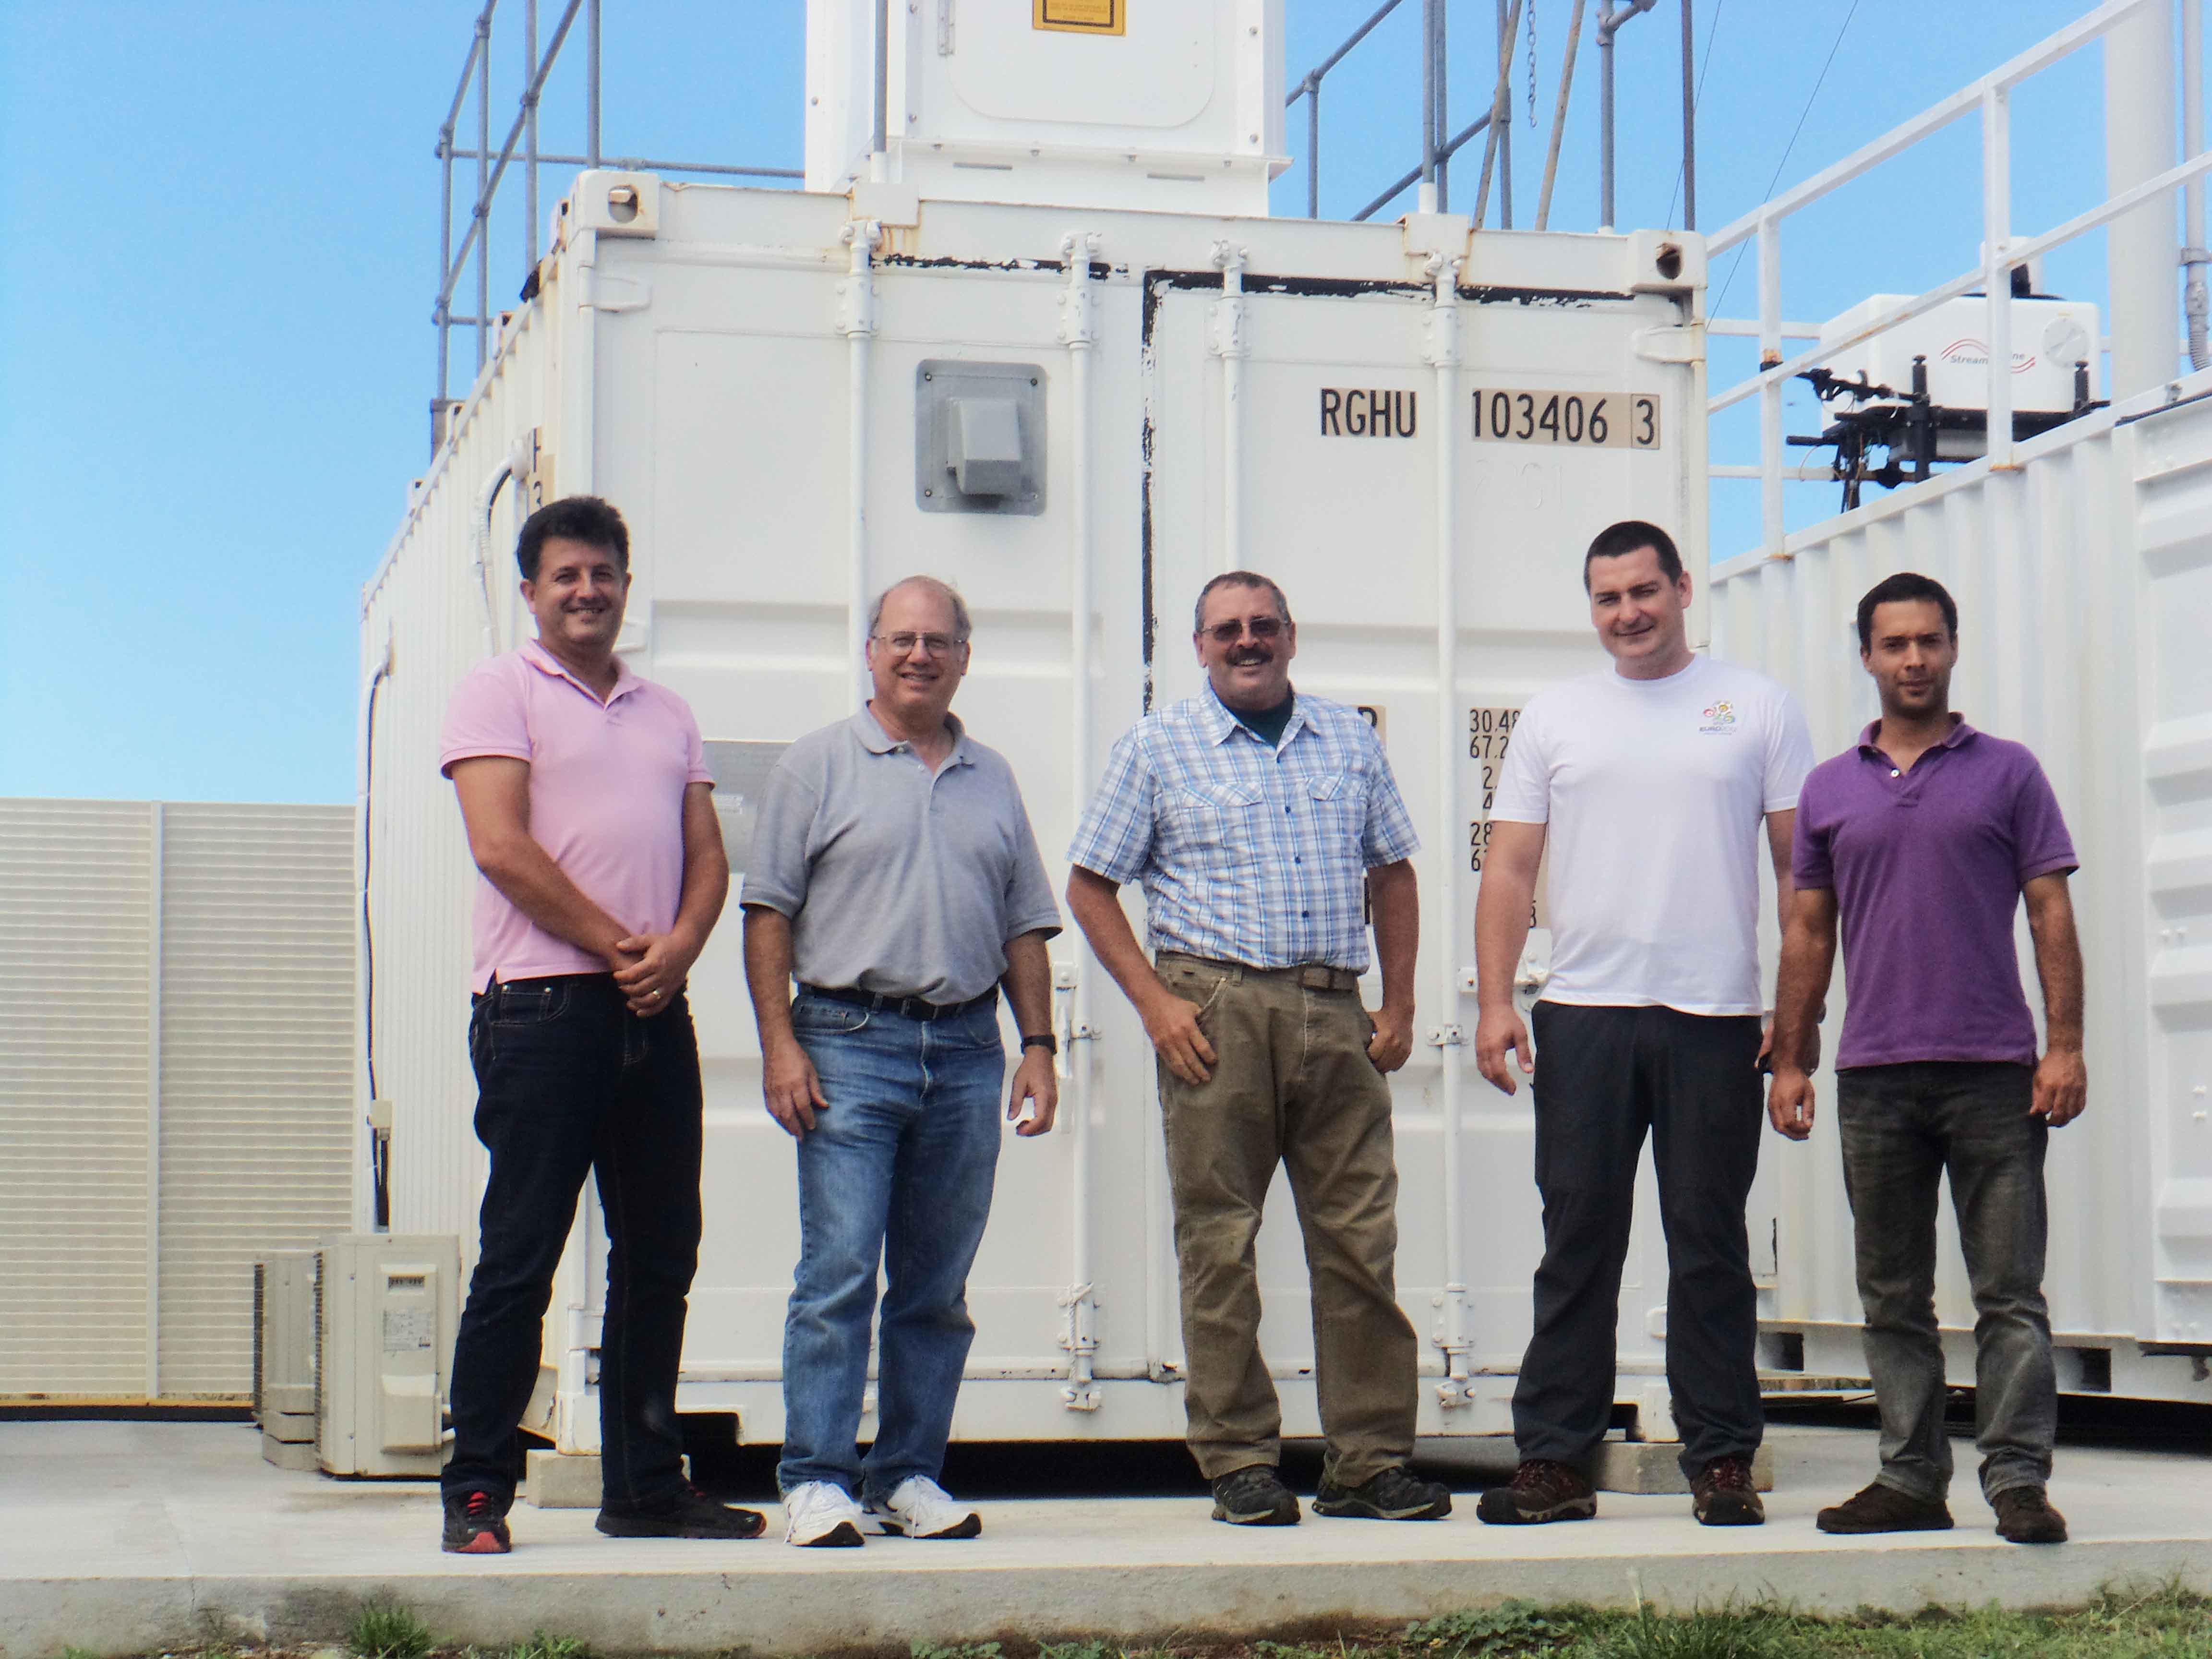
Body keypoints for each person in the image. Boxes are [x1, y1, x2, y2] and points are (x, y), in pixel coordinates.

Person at [1065, 571, 1450, 1528]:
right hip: (1216, 1013)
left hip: (1336, 1010)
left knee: (1361, 1242)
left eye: (1263, 626)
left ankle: (1369, 1463)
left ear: (1291, 635)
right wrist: (1155, 1005)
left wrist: (1398, 1004)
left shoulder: (1348, 739)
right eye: (1227, 629)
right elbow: (1089, 886)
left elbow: (1394, 870)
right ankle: (1239, 1459)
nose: (1247, 641)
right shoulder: (1158, 748)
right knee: (1220, 1242)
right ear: (1199, 646)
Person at [1473, 520, 1813, 1529]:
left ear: (1681, 589)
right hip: (1584, 1014)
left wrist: (1795, 1023)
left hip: (1715, 1020)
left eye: (1642, 592)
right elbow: (1509, 869)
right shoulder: (1556, 715)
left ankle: (1720, 1460)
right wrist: (1498, 999)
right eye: (1607, 598)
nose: (1627, 613)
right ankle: (1556, 1461)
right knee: (1578, 1236)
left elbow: (1804, 880)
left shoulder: (1758, 708)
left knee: (1708, 1240)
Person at [436, 495, 760, 1553]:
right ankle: (480, 1490)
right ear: (531, 594)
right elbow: (501, 846)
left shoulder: (667, 713)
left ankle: (645, 1488)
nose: (587, 591)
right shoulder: (497, 691)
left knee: (661, 1252)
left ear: (627, 585)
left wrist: (677, 950)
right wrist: (624, 945)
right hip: (541, 1009)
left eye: (603, 574)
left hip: (652, 1014)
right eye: (565, 576)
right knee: (521, 1254)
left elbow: (706, 855)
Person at [741, 576, 1063, 1549]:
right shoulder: (817, 766)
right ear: (870, 652)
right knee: (838, 1272)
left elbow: (1023, 926)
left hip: (967, 1051)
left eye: (938, 641)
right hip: (847, 1043)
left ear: (966, 657)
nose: (918, 656)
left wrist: (1037, 1046)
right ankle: (816, 1480)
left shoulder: (992, 777)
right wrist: (778, 1045)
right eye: (900, 640)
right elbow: (768, 915)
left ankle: (910, 1474)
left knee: (935, 1287)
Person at [1768, 572, 2083, 1547]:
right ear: (1865, 656)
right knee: (1894, 1296)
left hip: (1994, 1070)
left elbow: (2050, 912)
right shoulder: (1828, 788)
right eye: (1894, 644)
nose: (1913, 660)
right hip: (1875, 1075)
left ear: (1953, 649)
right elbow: (1808, 933)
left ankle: (2018, 1481)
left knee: (2009, 1293)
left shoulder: (2011, 772)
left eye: (1929, 642)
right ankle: (1909, 1478)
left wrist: (2064, 1044)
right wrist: (1791, 1058)